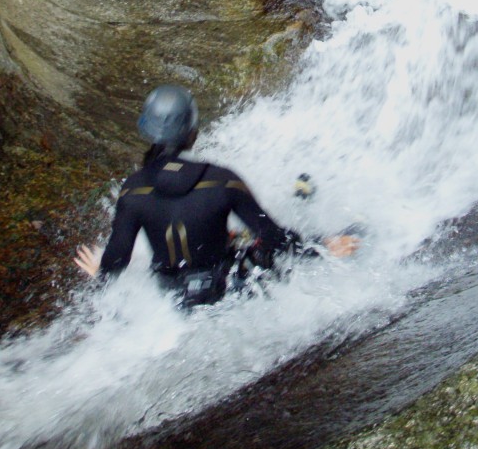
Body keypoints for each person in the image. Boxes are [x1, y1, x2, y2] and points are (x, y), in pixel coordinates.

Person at [75, 85, 359, 306]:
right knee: (251, 243)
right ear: (193, 134)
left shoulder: (133, 190)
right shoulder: (221, 180)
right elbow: (274, 238)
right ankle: (304, 202)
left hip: (173, 299)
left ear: (149, 131)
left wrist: (100, 274)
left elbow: (116, 263)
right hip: (228, 289)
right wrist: (320, 247)